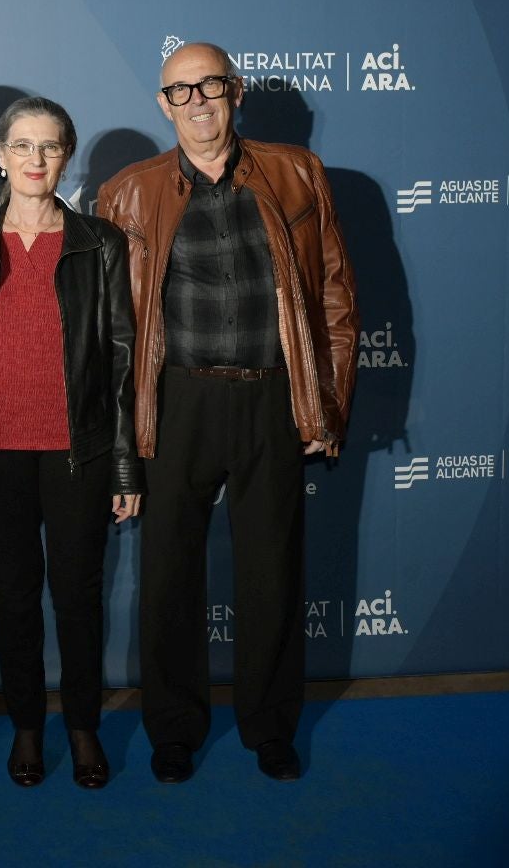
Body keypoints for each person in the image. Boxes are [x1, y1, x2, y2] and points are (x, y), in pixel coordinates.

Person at [96, 41, 358, 784]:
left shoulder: (296, 172)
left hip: (272, 396)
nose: (198, 102)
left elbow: (335, 293)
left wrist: (325, 403)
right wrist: (121, 436)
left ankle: (271, 728)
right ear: (163, 104)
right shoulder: (127, 192)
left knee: (273, 572)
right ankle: (174, 731)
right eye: (181, 91)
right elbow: (112, 329)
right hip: (176, 399)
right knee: (169, 574)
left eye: (210, 85)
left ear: (235, 92)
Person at [0, 96, 144, 791]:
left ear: (66, 156)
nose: (35, 159)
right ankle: (27, 729)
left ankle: (84, 728)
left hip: (80, 451)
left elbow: (122, 360)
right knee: (13, 597)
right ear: (0, 155)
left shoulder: (100, 242)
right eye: (22, 145)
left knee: (77, 596)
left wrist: (125, 464)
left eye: (49, 146)